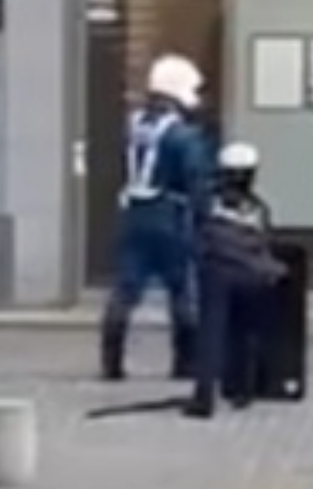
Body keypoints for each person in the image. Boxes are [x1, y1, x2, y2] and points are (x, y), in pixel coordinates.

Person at [99, 54, 215, 382]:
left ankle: (111, 361)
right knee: (182, 290)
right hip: (170, 216)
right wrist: (205, 219)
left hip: (133, 214)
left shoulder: (133, 127)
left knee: (126, 289)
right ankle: (185, 362)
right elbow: (196, 180)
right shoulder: (183, 135)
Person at [184, 141, 287, 420]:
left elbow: (195, 232)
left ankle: (204, 397)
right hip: (251, 275)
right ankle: (242, 390)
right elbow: (266, 241)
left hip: (217, 272)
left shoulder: (208, 202)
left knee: (211, 333)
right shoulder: (258, 208)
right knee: (244, 331)